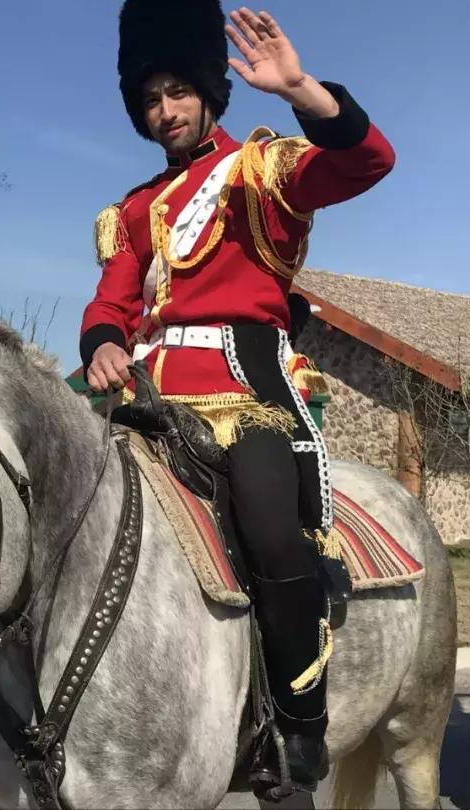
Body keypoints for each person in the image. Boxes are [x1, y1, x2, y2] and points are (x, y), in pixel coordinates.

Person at [80, 0, 395, 798]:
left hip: (244, 389)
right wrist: (103, 344)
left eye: (179, 91)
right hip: (146, 393)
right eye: (151, 98)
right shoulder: (134, 210)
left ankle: (300, 720)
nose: (165, 110)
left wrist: (300, 91)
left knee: (266, 517)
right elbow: (111, 301)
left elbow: (369, 163)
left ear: (209, 92)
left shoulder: (261, 171)